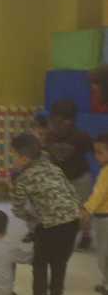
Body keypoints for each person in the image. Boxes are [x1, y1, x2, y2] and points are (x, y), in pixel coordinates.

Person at [10, 133, 80, 295]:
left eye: (13, 156)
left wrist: (31, 218)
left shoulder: (23, 178)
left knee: (40, 262)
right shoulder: (54, 168)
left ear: (24, 158)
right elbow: (72, 193)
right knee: (59, 262)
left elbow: (17, 208)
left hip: (49, 225)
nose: (13, 161)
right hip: (73, 221)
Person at [47, 100, 93, 251]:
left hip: (80, 178)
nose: (57, 126)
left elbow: (95, 151)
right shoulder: (49, 136)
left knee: (83, 210)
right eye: (54, 121)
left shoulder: (81, 137)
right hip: (61, 179)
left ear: (71, 122)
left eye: (62, 122)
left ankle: (86, 236)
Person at [82, 134, 108, 295]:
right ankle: (106, 281)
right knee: (103, 252)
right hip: (102, 217)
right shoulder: (104, 170)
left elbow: (99, 194)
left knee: (104, 254)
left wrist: (87, 209)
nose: (96, 156)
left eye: (100, 152)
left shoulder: (106, 172)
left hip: (105, 218)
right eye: (95, 152)